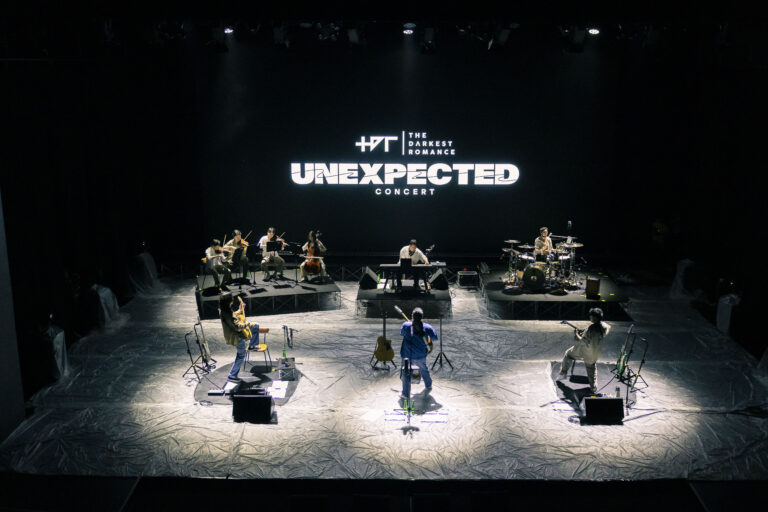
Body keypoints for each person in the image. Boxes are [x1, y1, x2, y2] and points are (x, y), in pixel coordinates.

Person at [557, 307, 611, 393]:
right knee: (591, 368)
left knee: (568, 354)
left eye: (591, 316)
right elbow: (594, 335)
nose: (590, 317)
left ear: (595, 317)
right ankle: (593, 387)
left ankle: (563, 373)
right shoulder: (603, 326)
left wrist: (576, 334)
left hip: (584, 350)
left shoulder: (591, 328)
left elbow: (582, 341)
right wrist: (584, 333)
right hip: (595, 352)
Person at [219, 293, 269, 382]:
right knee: (240, 355)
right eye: (231, 299)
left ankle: (252, 345)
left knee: (255, 325)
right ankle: (232, 375)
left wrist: (240, 310)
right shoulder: (227, 313)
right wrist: (247, 324)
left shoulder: (224, 310)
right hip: (236, 336)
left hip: (236, 334)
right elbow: (237, 327)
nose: (232, 301)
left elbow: (233, 315)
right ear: (229, 301)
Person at [399, 307, 437, 400]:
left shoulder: (406, 325)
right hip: (420, 354)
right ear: (421, 317)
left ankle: (405, 394)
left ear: (412, 316)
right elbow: (434, 337)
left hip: (407, 354)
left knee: (406, 373)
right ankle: (428, 384)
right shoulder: (427, 327)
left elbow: (402, 333)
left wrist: (410, 326)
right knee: (423, 369)